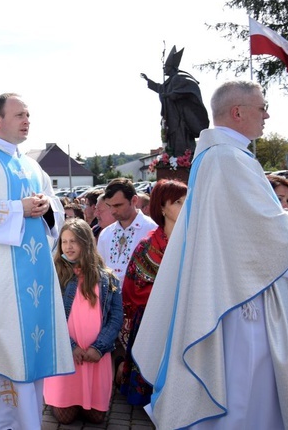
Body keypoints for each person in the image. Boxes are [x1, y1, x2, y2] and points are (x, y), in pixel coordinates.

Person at [134, 81, 288, 428]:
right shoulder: (229, 160)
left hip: (233, 292)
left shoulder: (219, 157)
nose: (267, 114)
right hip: (242, 301)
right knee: (246, 393)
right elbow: (263, 232)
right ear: (238, 112)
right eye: (262, 107)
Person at [0, 93, 73, 428]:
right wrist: (14, 209)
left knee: (30, 355)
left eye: (28, 115)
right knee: (0, 347)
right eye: (20, 114)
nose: (27, 121)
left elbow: (55, 205)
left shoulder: (31, 164)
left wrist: (47, 207)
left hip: (34, 277)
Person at [44, 218, 122, 424]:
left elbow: (115, 318)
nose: (68, 247)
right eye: (64, 241)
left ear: (86, 243)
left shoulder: (108, 278)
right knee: (65, 418)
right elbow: (49, 316)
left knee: (96, 417)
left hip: (95, 355)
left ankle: (83, 399)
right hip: (68, 353)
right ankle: (54, 398)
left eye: (74, 241)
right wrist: (69, 346)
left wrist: (99, 347)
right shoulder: (56, 275)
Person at [118, 179, 187, 406]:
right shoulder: (147, 246)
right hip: (151, 320)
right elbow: (132, 288)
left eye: (187, 200)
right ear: (162, 207)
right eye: (177, 201)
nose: (185, 205)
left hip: (185, 317)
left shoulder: (195, 242)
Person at [140, 46, 210, 157]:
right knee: (171, 140)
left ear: (172, 68)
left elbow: (182, 92)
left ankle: (183, 159)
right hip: (171, 117)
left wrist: (170, 95)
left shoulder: (177, 78)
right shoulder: (170, 81)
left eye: (166, 67)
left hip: (179, 118)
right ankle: (173, 159)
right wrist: (148, 80)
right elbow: (161, 89)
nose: (164, 69)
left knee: (180, 139)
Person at [97, 178, 157, 287]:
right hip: (110, 300)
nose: (113, 211)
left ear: (134, 200)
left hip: (142, 301)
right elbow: (100, 271)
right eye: (109, 206)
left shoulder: (152, 230)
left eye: (118, 205)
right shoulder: (105, 234)